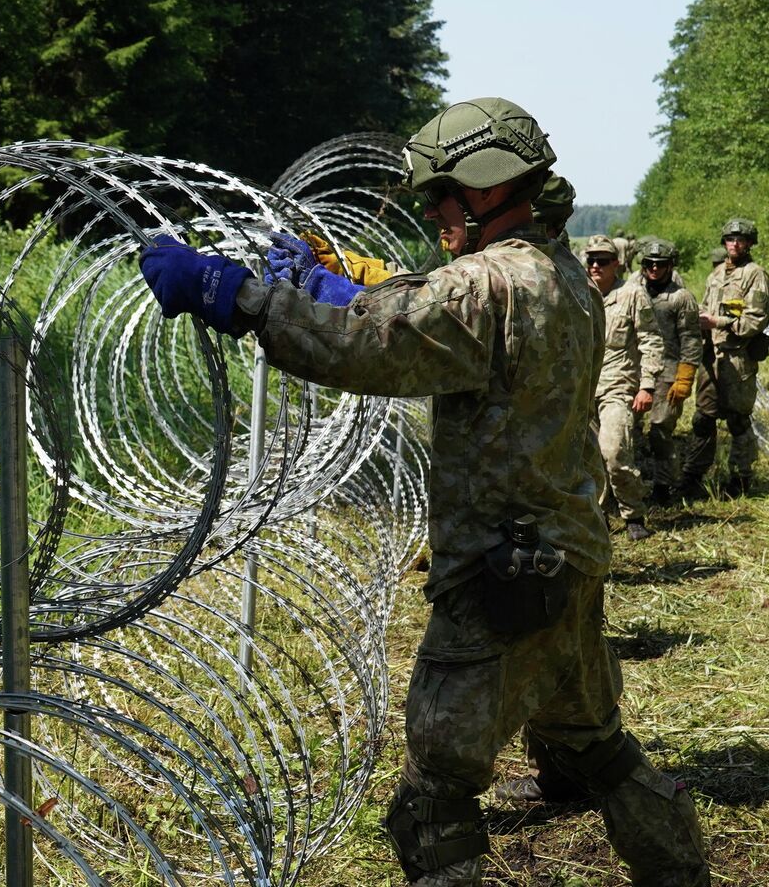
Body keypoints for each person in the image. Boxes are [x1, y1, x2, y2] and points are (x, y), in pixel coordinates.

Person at [137, 97, 707, 885]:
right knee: (601, 751)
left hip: (500, 580)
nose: (432, 209)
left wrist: (238, 295)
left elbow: (368, 344)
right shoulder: (564, 275)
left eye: (442, 193)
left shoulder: (487, 284)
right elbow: (416, 309)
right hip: (570, 559)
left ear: (485, 188)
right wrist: (329, 285)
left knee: (433, 804)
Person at [681, 217, 769, 499]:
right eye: (730, 239)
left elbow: (755, 321)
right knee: (703, 418)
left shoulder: (756, 275)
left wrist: (717, 322)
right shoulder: (716, 275)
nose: (734, 244)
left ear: (749, 243)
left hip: (737, 358)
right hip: (712, 359)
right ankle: (694, 475)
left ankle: (741, 478)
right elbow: (707, 309)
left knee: (738, 421)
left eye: (741, 239)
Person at [582, 235, 665, 540]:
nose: (594, 266)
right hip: (583, 389)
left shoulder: (632, 295)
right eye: (590, 259)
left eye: (602, 260)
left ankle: (633, 513)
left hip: (618, 386)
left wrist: (647, 386)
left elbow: (651, 341)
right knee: (588, 460)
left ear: (616, 263)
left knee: (614, 451)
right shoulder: (578, 293)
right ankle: (598, 515)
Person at [636, 238, 704, 506]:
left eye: (660, 264)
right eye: (649, 264)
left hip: (669, 371)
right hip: (638, 370)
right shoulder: (635, 292)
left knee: (660, 429)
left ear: (670, 266)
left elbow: (691, 339)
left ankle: (663, 486)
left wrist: (685, 378)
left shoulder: (681, 298)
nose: (654, 269)